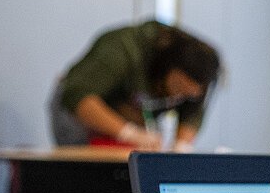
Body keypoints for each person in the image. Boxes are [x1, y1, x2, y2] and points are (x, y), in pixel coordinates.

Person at [50, 20, 221, 150]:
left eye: (187, 95)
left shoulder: (201, 74)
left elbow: (192, 115)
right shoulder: (123, 48)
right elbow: (77, 95)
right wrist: (129, 133)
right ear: (166, 66)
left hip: (128, 120)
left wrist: (180, 147)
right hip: (78, 111)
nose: (179, 97)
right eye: (177, 87)